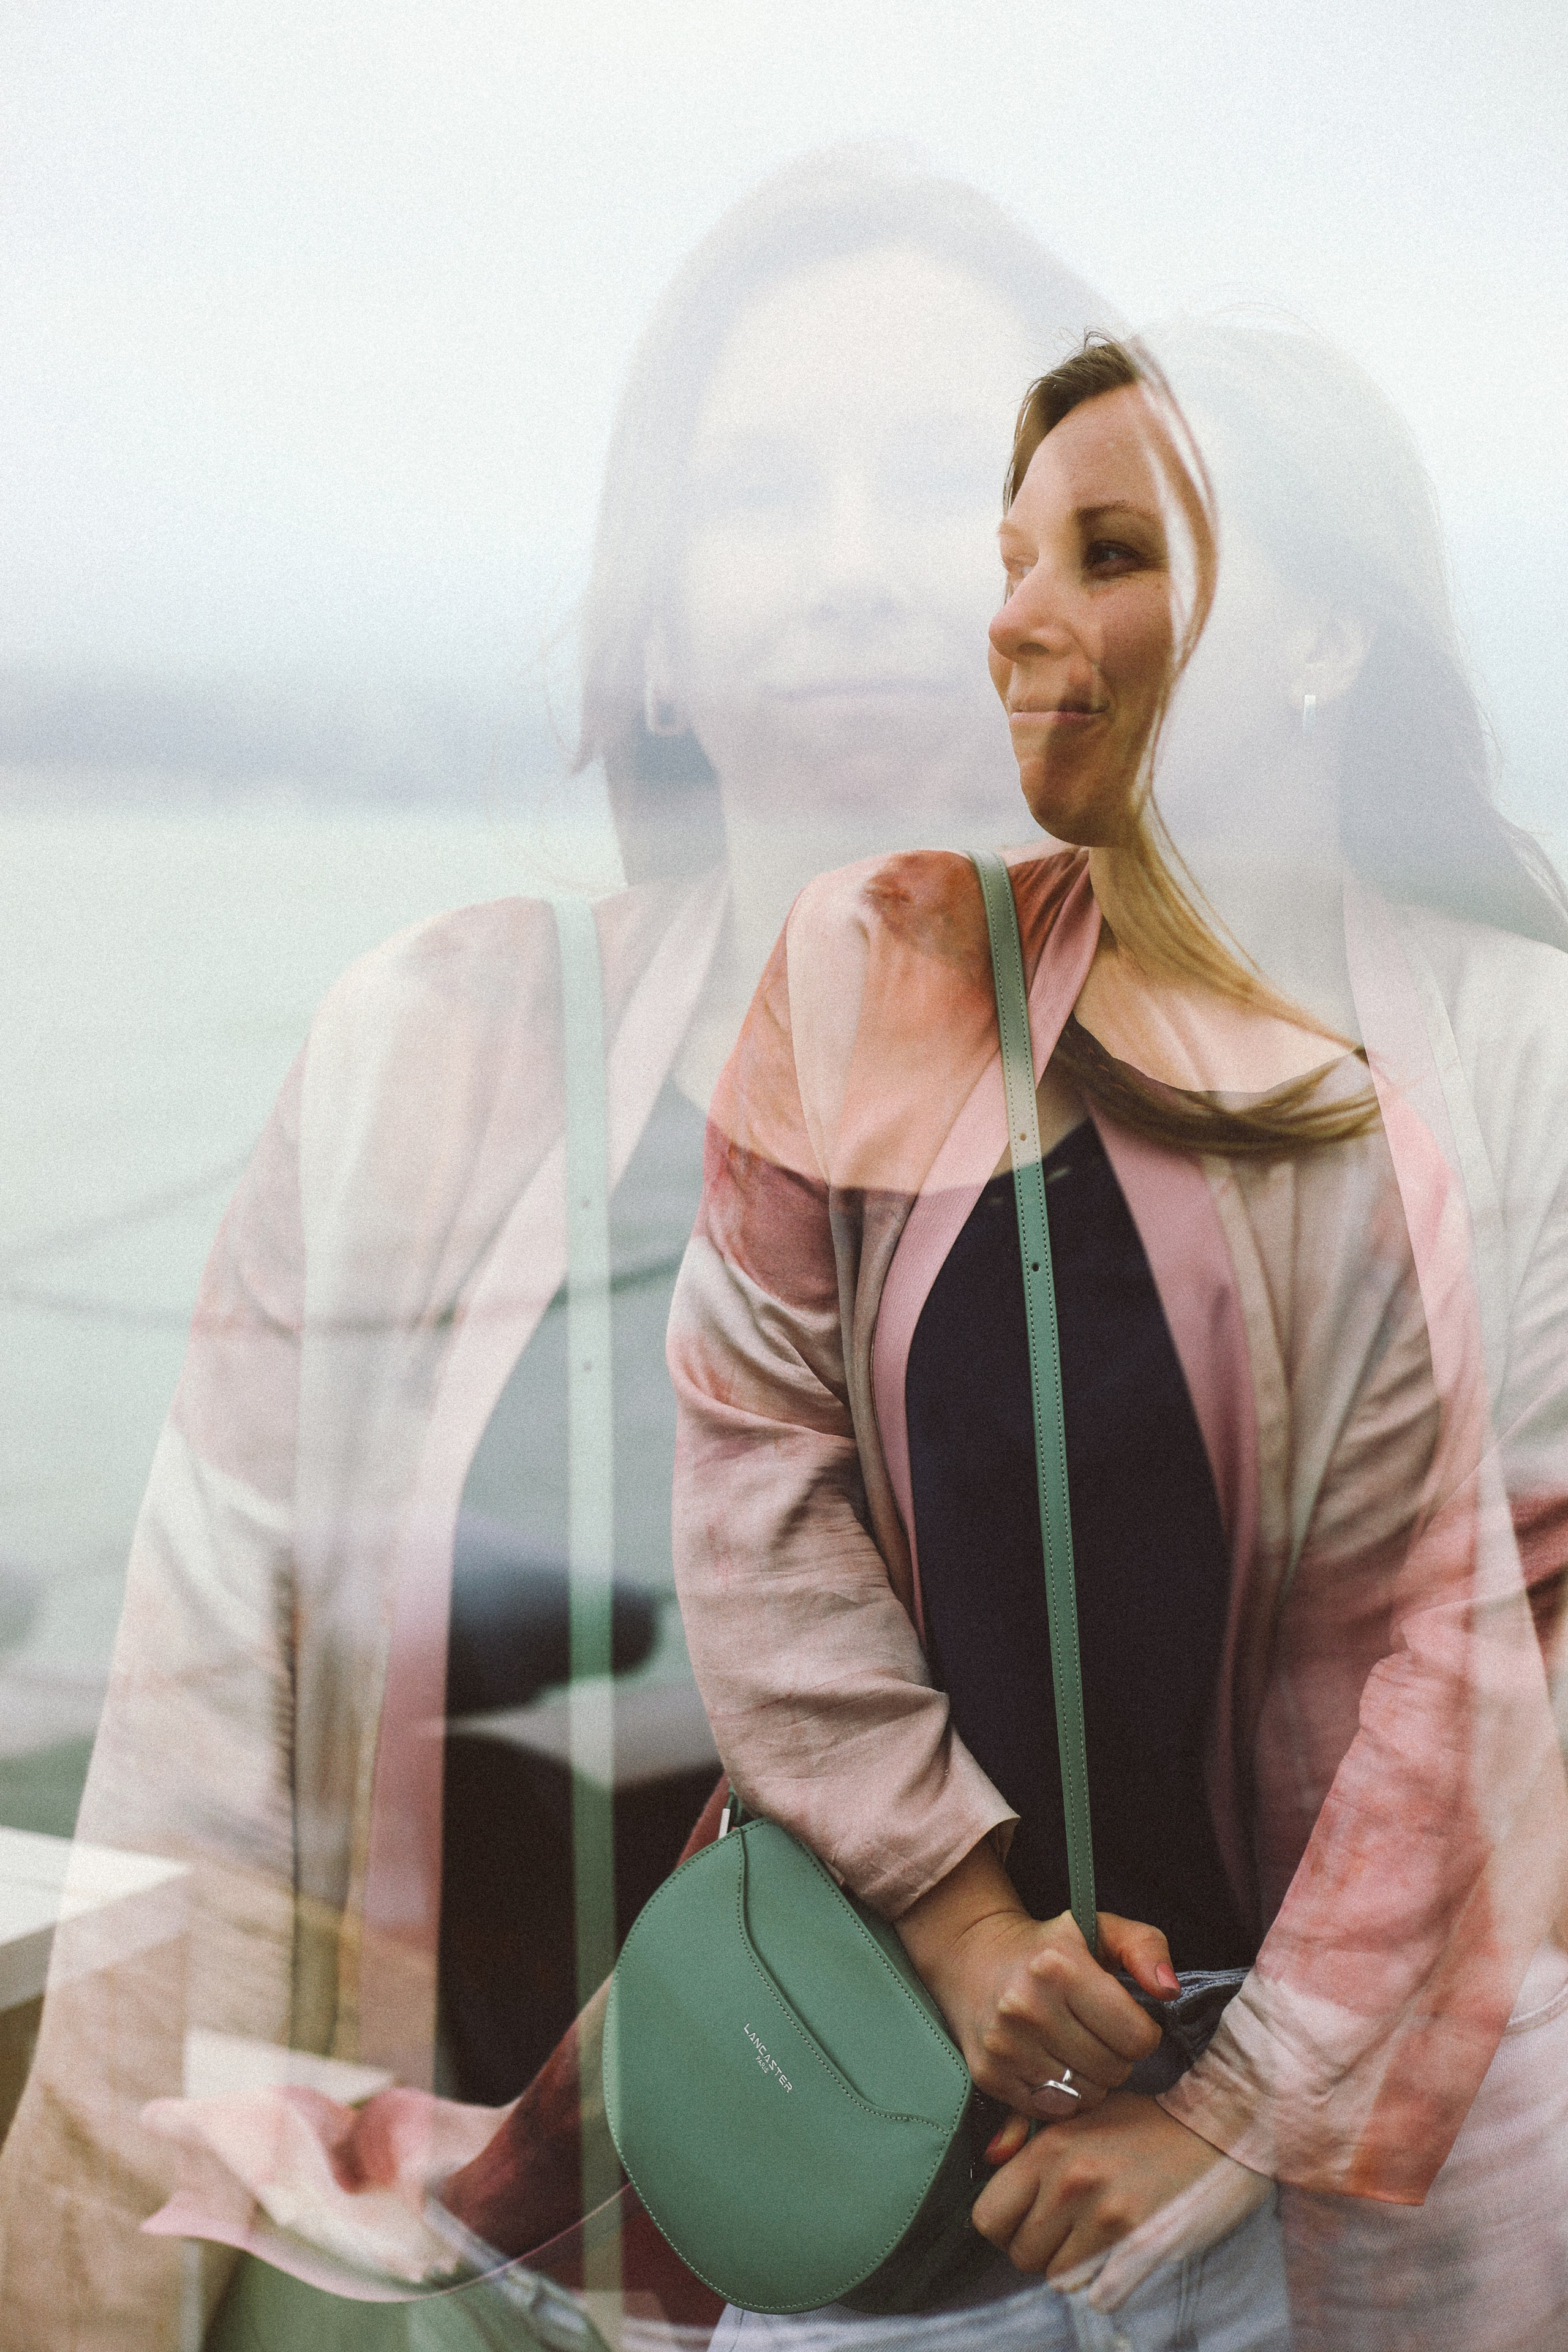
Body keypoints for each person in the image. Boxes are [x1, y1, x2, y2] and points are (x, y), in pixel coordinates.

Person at [0, 149, 1112, 2350]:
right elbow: (203, 1797)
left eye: (946, 479)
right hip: (479, 2281)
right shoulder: (431, 1063)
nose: (858, 564)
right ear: (662, 630)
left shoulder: (1283, 1110)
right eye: (763, 491)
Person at [666, 323, 1568, 2351]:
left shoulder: (1524, 1053)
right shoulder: (874, 967)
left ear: (1323, 636)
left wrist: (1235, 2116)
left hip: (1358, 2143)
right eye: (1012, 559)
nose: (1014, 620)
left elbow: (1509, 1622)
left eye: (1106, 553)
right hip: (904, 2072)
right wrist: (960, 1923)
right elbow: (753, 1480)